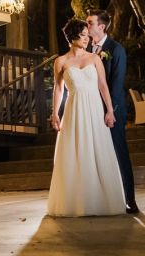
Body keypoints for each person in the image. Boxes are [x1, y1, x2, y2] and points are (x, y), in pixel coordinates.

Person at [47, 18, 126, 217]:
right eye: (82, 35)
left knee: (97, 149)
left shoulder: (94, 58)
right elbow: (58, 89)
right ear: (72, 37)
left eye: (87, 35)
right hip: (73, 111)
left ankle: (102, 200)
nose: (87, 39)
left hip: (94, 110)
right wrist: (55, 112)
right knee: (76, 153)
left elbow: (102, 86)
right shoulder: (61, 61)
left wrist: (109, 110)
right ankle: (77, 202)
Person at [87, 9, 138, 214]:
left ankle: (130, 199)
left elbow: (116, 85)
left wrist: (111, 111)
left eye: (90, 22)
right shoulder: (87, 49)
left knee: (119, 153)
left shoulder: (115, 49)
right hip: (91, 109)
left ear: (102, 26)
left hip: (112, 110)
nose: (87, 26)